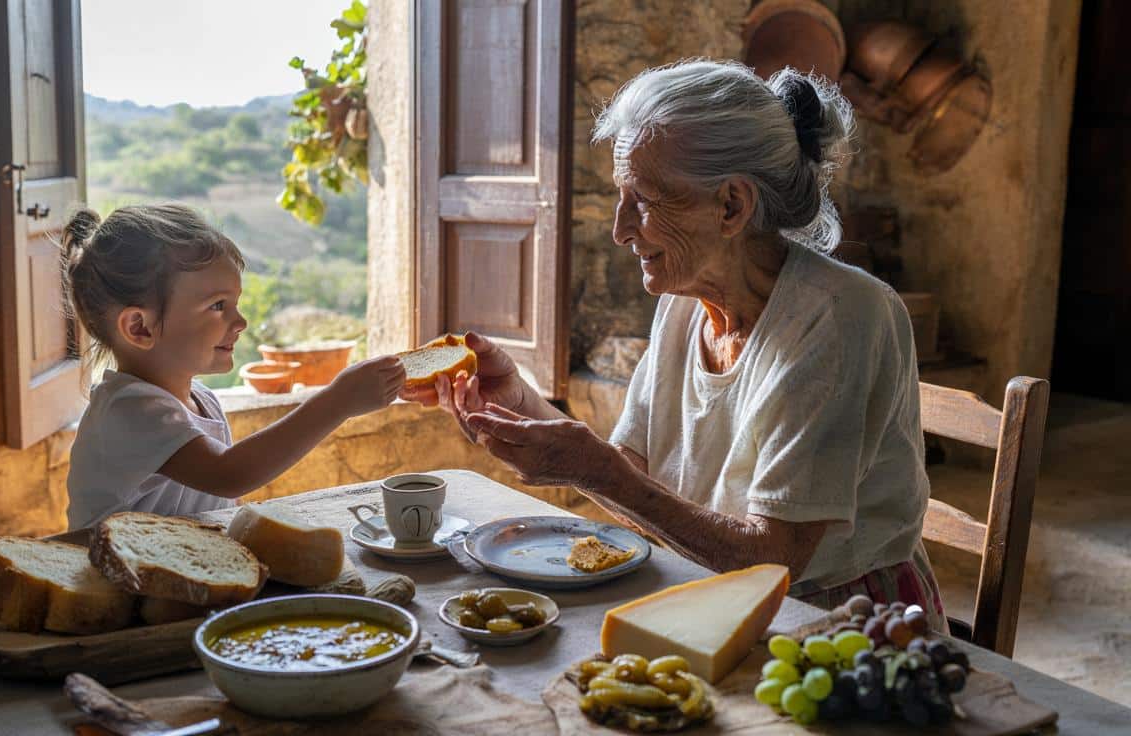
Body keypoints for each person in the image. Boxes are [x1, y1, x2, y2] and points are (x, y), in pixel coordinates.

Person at [405, 60, 945, 628]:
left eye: (643, 199)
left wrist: (592, 471)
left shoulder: (839, 316)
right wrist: (519, 404)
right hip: (709, 590)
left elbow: (773, 560)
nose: (619, 229)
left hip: (841, 621)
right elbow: (631, 476)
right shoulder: (685, 302)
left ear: (732, 205)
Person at [62, 204, 404, 529]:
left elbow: (220, 505)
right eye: (217, 306)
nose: (240, 321)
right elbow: (230, 475)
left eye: (235, 304)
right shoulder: (127, 411)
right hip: (120, 587)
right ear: (140, 327)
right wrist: (338, 401)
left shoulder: (202, 399)